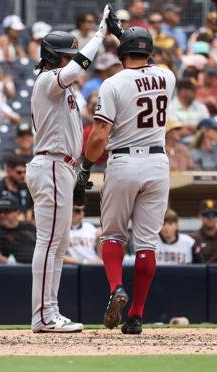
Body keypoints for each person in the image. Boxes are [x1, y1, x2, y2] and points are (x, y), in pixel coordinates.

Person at [80, 26, 176, 334]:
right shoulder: (168, 76)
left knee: (113, 235)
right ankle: (136, 315)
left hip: (124, 159)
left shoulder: (112, 83)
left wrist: (86, 164)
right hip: (158, 162)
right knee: (147, 243)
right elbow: (143, 66)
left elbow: (99, 135)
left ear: (122, 54)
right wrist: (125, 36)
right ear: (150, 51)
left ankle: (116, 287)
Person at [26, 5, 115, 333]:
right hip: (50, 163)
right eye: (67, 55)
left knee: (57, 243)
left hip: (61, 166)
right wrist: (100, 34)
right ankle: (44, 315)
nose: (71, 59)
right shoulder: (48, 80)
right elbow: (77, 68)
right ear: (54, 56)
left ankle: (49, 311)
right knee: (50, 242)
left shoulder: (59, 85)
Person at [0, 195, 36, 264]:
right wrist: (17, 266)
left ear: (17, 212)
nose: (2, 215)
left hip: (38, 268)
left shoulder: (30, 227)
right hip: (11, 271)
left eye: (6, 211)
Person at [0, 155, 32, 219]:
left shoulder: (26, 188)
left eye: (24, 172)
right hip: (1, 226)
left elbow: (28, 210)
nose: (23, 176)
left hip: (22, 226)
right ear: (8, 171)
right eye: (19, 172)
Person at [192, 199, 217, 263]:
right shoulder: (193, 239)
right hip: (200, 272)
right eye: (206, 214)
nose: (210, 218)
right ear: (200, 216)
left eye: (214, 214)